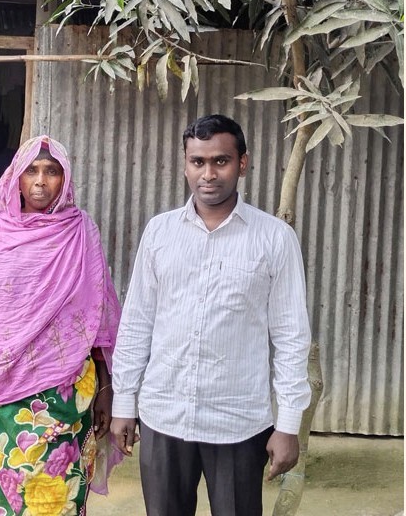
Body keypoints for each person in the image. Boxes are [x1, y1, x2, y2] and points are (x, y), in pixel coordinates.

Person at [110, 114, 312, 516]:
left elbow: (290, 336)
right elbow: (137, 323)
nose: (208, 174)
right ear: (185, 164)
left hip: (237, 422)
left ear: (243, 163)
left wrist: (288, 424)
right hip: (163, 414)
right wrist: (123, 405)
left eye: (220, 161)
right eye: (197, 161)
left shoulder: (274, 238)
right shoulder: (160, 233)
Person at [0, 135, 122, 516]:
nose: (41, 181)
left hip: (63, 397)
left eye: (52, 171)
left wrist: (107, 388)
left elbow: (99, 315)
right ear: (16, 178)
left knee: (54, 501)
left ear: (66, 179)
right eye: (32, 171)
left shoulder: (80, 232)